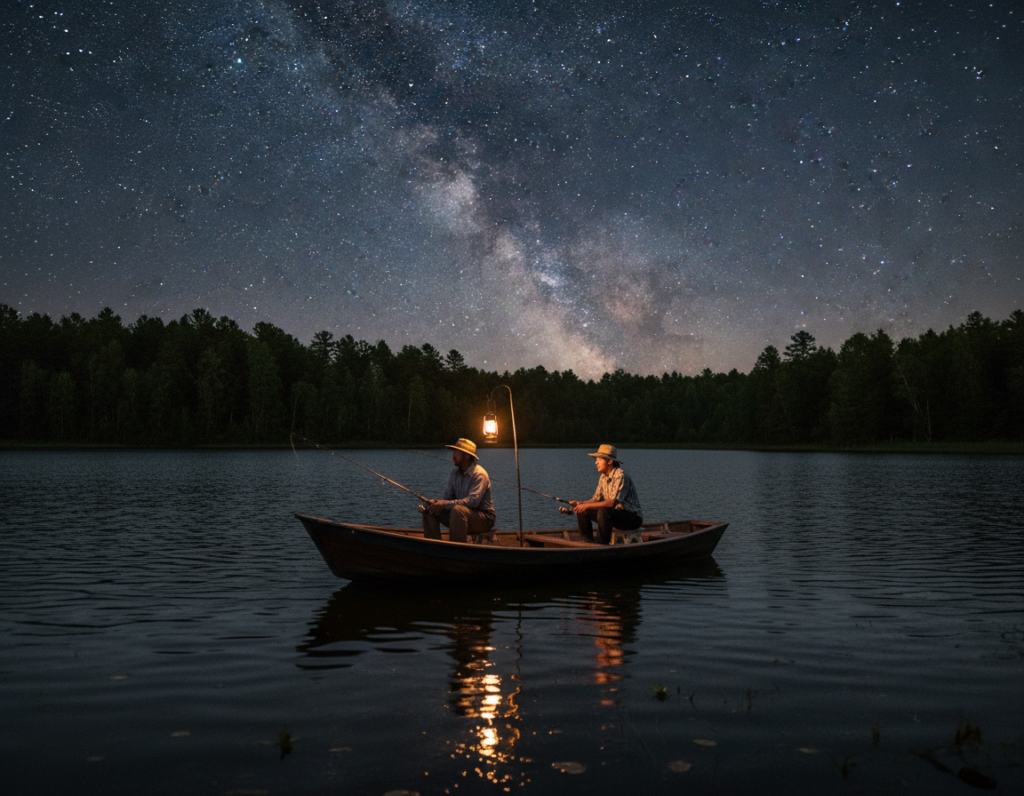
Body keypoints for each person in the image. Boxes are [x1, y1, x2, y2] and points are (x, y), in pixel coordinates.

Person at [421, 438, 496, 543]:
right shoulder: (454, 474)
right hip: (462, 515)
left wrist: (445, 504)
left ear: (467, 456)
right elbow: (447, 498)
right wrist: (437, 504)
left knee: (458, 511)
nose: (453, 455)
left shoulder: (479, 474)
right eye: (453, 451)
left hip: (484, 519)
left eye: (457, 452)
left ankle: (456, 550)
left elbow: (473, 502)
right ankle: (434, 547)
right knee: (429, 508)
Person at [569, 444, 643, 545]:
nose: (596, 463)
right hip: (614, 515)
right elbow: (595, 499)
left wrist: (586, 505)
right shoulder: (603, 477)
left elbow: (611, 503)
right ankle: (587, 541)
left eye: (599, 460)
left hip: (632, 518)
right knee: (582, 509)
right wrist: (581, 503)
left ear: (609, 461)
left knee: (604, 510)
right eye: (596, 460)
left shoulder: (620, 476)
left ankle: (601, 544)